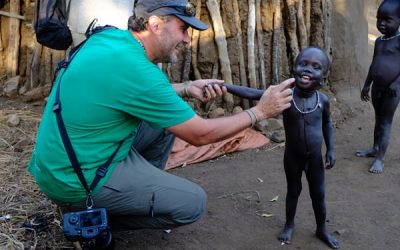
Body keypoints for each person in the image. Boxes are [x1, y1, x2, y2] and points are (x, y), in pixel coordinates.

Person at [27, 0, 294, 233]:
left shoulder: (111, 39)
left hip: (59, 163)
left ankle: (132, 195)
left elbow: (126, 90)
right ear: (155, 24)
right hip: (73, 180)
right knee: (192, 203)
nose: (188, 39)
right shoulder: (139, 70)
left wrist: (187, 88)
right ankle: (87, 218)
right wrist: (259, 112)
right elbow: (199, 135)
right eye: (183, 29)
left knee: (162, 125)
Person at [278, 47, 338, 249]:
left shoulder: (322, 101)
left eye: (316, 67)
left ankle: (321, 229)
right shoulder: (286, 96)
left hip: (314, 159)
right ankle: (289, 224)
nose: (307, 69)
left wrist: (330, 149)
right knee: (293, 191)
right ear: (293, 68)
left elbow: (327, 124)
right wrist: (227, 87)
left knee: (318, 194)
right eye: (303, 64)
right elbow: (255, 93)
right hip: (292, 158)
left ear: (323, 78)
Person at [356, 0, 400, 174]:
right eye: (379, 19)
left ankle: (380, 158)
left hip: (392, 90)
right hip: (377, 88)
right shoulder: (380, 41)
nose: (381, 24)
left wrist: (396, 84)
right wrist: (367, 85)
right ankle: (375, 148)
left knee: (385, 122)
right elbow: (374, 64)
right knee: (378, 119)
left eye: (387, 20)